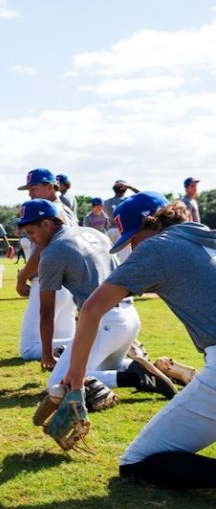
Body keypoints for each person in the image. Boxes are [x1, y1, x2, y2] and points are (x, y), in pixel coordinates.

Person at [62, 193, 216, 489]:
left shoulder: (158, 247)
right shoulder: (201, 237)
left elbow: (93, 308)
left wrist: (77, 381)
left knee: (138, 462)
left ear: (151, 224)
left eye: (133, 240)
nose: (132, 249)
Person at [17, 198, 176, 401]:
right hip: (129, 317)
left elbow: (46, 311)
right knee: (107, 366)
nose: (31, 239)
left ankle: (136, 377)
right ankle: (162, 370)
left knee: (57, 383)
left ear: (47, 224)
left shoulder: (52, 252)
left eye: (31, 232)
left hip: (102, 322)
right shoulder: (92, 232)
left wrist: (47, 354)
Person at [15, 168, 77, 362]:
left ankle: (96, 341)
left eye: (34, 187)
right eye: (29, 188)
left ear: (51, 186)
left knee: (29, 349)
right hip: (68, 280)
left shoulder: (52, 211)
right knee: (63, 341)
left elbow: (43, 249)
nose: (30, 192)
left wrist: (22, 276)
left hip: (50, 279)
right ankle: (97, 343)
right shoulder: (65, 208)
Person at [103, 180, 140, 264]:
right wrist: (130, 187)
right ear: (125, 189)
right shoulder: (128, 200)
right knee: (124, 258)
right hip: (123, 231)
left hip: (110, 231)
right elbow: (142, 195)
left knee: (110, 258)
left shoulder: (106, 202)